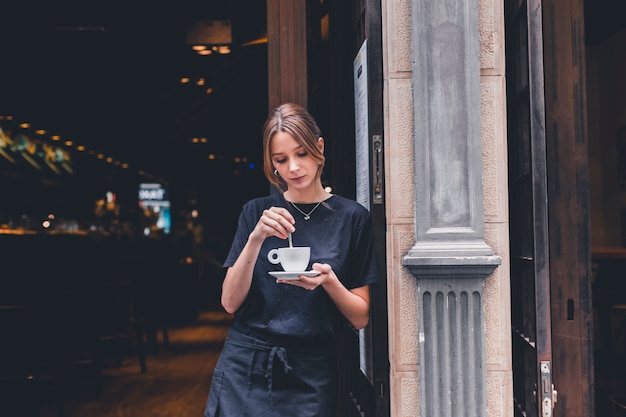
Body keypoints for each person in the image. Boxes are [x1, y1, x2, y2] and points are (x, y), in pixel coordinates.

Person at [203, 102, 381, 417]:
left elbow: (361, 317)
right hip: (247, 361)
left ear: (319, 148)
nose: (294, 168)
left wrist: (329, 282)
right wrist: (256, 237)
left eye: (301, 154)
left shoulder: (352, 218)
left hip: (311, 368)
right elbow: (230, 302)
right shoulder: (257, 213)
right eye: (281, 160)